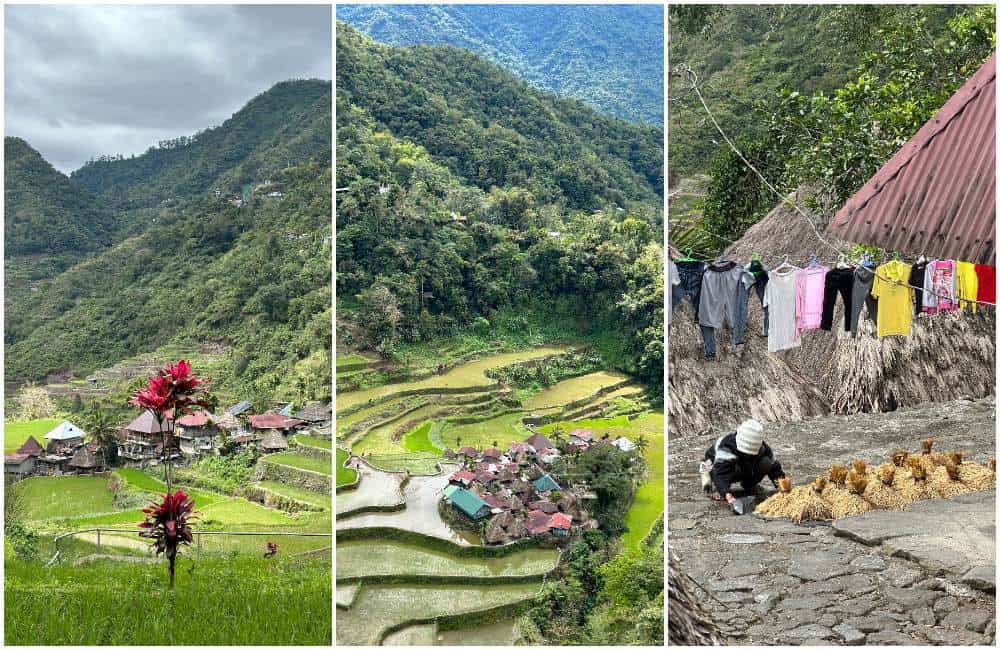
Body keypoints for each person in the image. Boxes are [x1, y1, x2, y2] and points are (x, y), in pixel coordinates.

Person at [700, 418, 785, 506]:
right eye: (746, 453)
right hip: (715, 463)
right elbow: (721, 473)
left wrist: (782, 485)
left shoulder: (763, 448)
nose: (748, 454)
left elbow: (775, 467)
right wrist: (727, 494)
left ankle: (748, 485)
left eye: (751, 453)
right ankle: (714, 487)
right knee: (714, 476)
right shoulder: (727, 447)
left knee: (766, 463)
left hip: (741, 462)